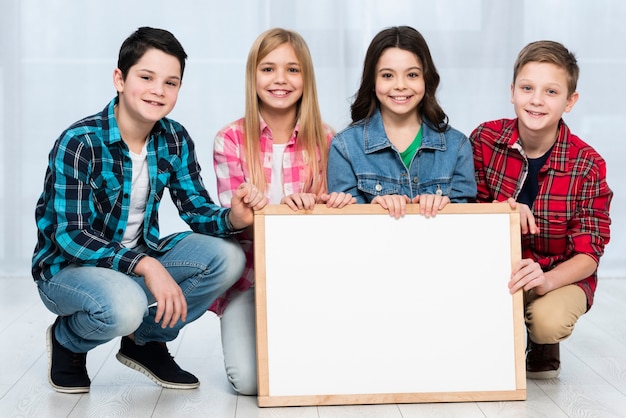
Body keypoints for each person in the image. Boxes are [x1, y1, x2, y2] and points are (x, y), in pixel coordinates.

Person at [31, 27, 266, 394]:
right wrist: (146, 265)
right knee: (126, 304)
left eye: (170, 82)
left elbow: (196, 209)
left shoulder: (173, 138)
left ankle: (146, 342)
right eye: (146, 77)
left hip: (136, 259)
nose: (159, 90)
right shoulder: (79, 142)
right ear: (120, 79)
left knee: (227, 257)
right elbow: (70, 235)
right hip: (68, 269)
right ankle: (68, 341)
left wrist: (233, 218)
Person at [211, 27, 354, 395]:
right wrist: (284, 216)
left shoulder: (327, 139)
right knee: (249, 382)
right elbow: (235, 225)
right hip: (252, 278)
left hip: (307, 278)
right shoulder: (229, 139)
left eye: (292, 69)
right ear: (253, 76)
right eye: (268, 68)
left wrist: (321, 207)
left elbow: (328, 228)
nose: (280, 80)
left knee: (317, 373)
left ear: (305, 78)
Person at [470, 40, 612, 379]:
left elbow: (589, 253)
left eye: (551, 91)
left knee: (548, 321)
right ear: (512, 91)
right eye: (527, 87)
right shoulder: (484, 139)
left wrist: (545, 282)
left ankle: (541, 339)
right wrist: (502, 210)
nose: (536, 99)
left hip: (557, 273)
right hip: (495, 267)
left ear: (569, 102)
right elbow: (465, 210)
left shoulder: (587, 164)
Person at [327, 26, 476, 218]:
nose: (400, 85)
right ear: (372, 82)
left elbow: (469, 226)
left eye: (412, 75)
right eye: (387, 75)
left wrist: (445, 209)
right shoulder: (344, 146)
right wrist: (373, 208)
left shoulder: (458, 147)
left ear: (426, 79)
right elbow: (344, 226)